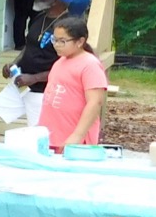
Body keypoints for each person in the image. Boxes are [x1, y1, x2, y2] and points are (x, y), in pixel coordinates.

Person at [0, 0, 74, 149]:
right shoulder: (39, 17)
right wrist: (13, 64)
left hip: (44, 92)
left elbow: (68, 67)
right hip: (21, 83)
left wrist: (34, 78)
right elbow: (29, 46)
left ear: (56, 0)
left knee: (40, 138)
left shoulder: (68, 27)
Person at [38, 16, 109, 151]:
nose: (56, 45)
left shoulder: (90, 64)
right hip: (52, 137)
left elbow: (95, 103)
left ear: (80, 41)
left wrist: (77, 136)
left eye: (62, 41)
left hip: (72, 140)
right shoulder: (60, 62)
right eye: (54, 40)